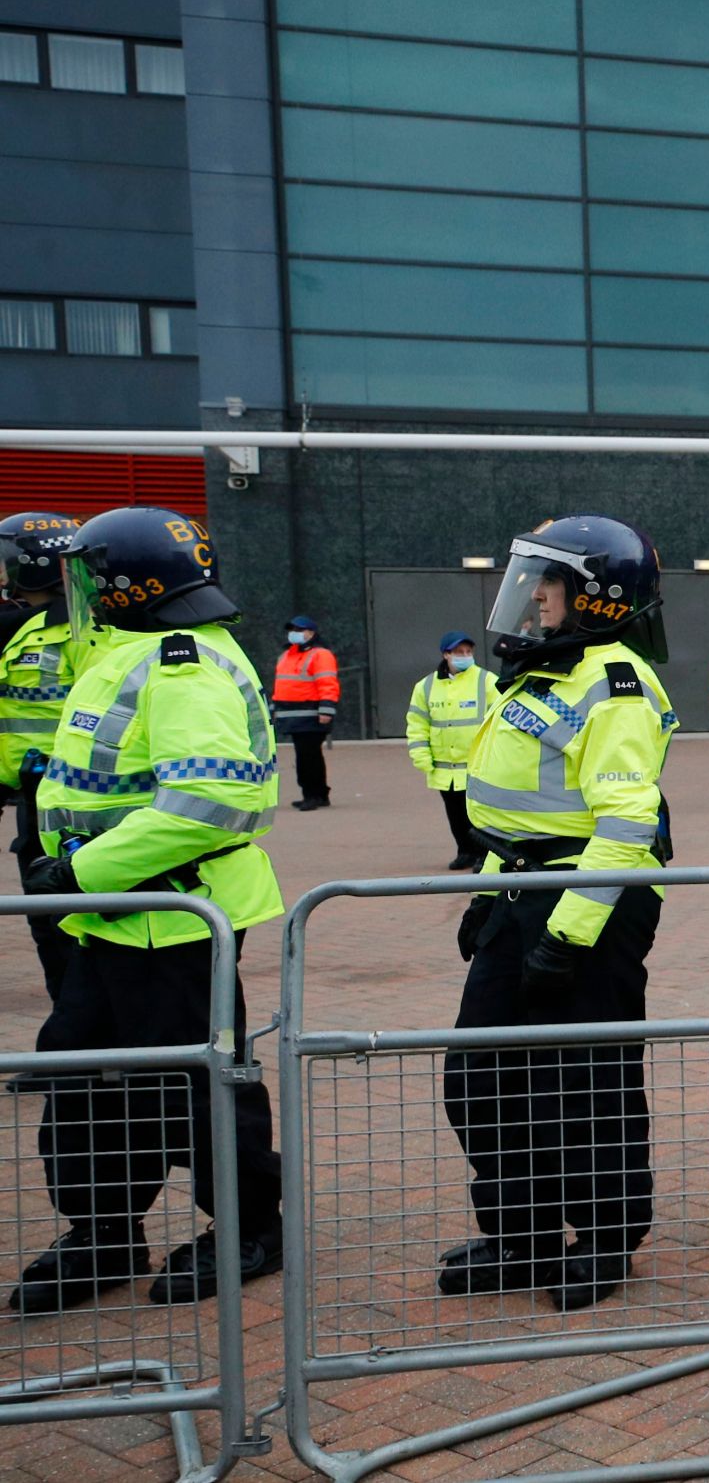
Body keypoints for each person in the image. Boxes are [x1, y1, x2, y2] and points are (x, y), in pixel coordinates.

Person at [13, 506, 285, 1313]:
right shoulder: (132, 650)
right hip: (115, 918)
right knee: (85, 1074)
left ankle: (249, 1230)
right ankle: (103, 1232)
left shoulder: (182, 662)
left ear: (126, 584)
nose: (79, 591)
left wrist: (81, 871)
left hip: (170, 919)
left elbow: (208, 800)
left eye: (88, 575)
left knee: (199, 1086)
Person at [440, 515, 674, 1312]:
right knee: (480, 1081)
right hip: (523, 896)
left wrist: (568, 937)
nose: (534, 595)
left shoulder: (614, 685)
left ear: (598, 598)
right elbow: (519, 816)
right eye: (534, 579)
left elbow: (624, 826)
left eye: (551, 581)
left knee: (587, 1086)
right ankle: (522, 1234)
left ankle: (606, 1240)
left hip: (589, 907)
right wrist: (484, 896)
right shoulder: (543, 671)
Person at [2, 510, 84, 1000]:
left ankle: (79, 1054)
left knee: (59, 923)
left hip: (67, 795)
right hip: (30, 792)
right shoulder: (23, 625)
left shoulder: (76, 630)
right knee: (50, 923)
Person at [405, 632, 496, 871]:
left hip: (478, 766)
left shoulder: (486, 681)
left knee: (478, 816)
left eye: (468, 652)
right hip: (444, 768)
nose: (465, 656)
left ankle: (483, 855)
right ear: (446, 655)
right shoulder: (425, 687)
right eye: (459, 653)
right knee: (455, 816)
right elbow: (417, 724)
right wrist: (422, 757)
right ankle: (464, 851)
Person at [272, 614, 339, 809]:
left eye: (299, 630)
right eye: (292, 630)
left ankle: (313, 795)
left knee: (307, 757)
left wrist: (326, 710)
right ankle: (316, 794)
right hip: (293, 715)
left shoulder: (320, 655)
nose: (294, 634)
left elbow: (328, 683)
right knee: (308, 756)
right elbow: (281, 686)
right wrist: (274, 708)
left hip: (311, 715)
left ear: (311, 633)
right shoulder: (286, 655)